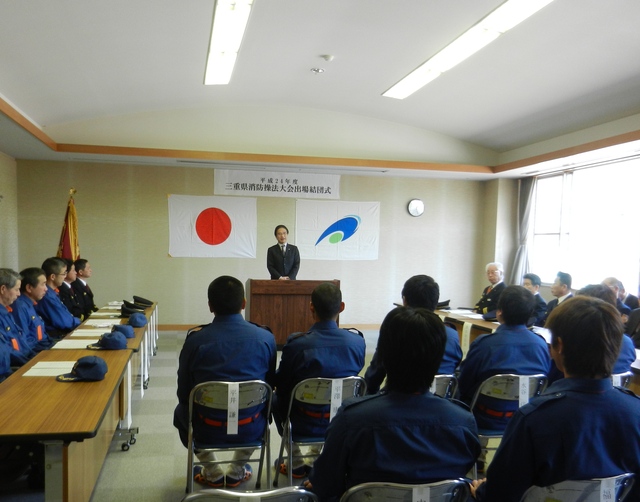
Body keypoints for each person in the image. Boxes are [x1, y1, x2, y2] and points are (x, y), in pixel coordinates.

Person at [471, 296, 640, 501]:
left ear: (558, 345)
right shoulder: (635, 411)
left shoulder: (534, 419)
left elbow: (500, 494)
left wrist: (480, 491)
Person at [306, 307, 480, 502]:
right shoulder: (464, 422)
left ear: (383, 358)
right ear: (438, 357)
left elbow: (325, 485)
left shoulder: (351, 420)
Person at [173, 275, 277, 489]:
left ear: (210, 306)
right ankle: (238, 468)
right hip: (251, 425)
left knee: (181, 411)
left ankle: (212, 471)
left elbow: (183, 392)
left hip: (206, 428)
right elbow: (270, 383)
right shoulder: (266, 338)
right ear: (244, 303)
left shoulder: (195, 341)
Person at [272, 282, 366, 478]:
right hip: (342, 419)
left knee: (275, 399)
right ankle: (316, 458)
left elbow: (282, 385)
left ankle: (296, 461)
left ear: (311, 307)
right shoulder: (357, 342)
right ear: (341, 307)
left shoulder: (297, 344)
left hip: (304, 421)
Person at [458, 285, 551, 431]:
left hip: (483, 416)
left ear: (499, 312)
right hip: (524, 417)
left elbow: (464, 384)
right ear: (530, 314)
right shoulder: (541, 346)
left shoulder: (485, 344)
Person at [364, 274, 462, 394]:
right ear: (436, 303)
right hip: (441, 400)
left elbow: (378, 369)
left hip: (397, 399)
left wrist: (369, 395)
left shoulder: (395, 327)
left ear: (404, 301)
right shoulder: (452, 335)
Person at [35, 257, 81, 339]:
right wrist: (79, 321)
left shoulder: (53, 293)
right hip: (56, 337)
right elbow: (65, 322)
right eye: (63, 274)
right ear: (52, 276)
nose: (65, 277)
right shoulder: (47, 296)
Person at [11, 267, 55, 353]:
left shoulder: (30, 304)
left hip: (44, 347)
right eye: (43, 284)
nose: (46, 289)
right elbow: (26, 342)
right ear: (29, 288)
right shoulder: (20, 307)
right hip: (36, 353)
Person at [0, 268, 34, 369]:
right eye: (16, 289)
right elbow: (8, 351)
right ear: (3, 289)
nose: (19, 294)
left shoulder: (7, 312)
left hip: (22, 363)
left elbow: (21, 342)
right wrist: (30, 362)